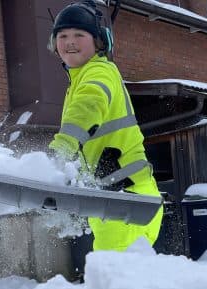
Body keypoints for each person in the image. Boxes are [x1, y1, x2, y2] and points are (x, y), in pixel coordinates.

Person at [47, 1, 163, 251]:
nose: (70, 42)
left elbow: (89, 104)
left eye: (79, 35)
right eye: (63, 36)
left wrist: (62, 147)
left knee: (116, 274)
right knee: (116, 273)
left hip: (127, 201)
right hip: (116, 201)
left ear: (99, 41)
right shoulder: (79, 79)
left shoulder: (99, 71)